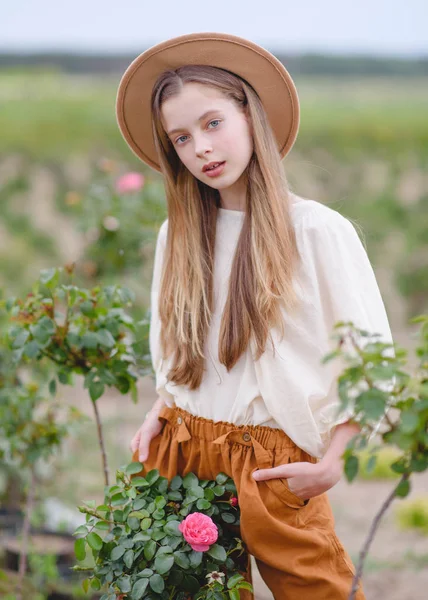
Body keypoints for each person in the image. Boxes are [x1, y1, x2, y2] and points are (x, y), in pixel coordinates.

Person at [116, 32, 393, 599]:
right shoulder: (181, 234)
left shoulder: (316, 230)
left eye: (213, 123)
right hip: (183, 444)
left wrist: (332, 462)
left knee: (317, 590)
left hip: (272, 460)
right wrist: (162, 407)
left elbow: (369, 360)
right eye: (182, 138)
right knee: (176, 591)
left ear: (250, 115)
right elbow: (178, 338)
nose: (201, 148)